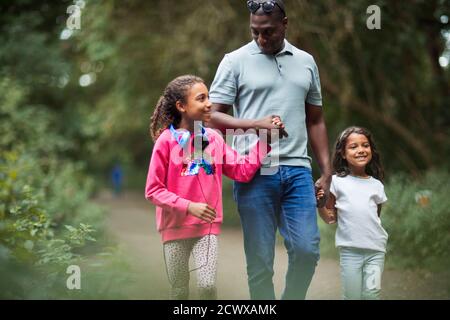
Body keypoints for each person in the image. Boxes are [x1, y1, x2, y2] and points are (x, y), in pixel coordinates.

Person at [208, 0, 332, 300]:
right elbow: (211, 115)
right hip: (253, 173)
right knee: (261, 262)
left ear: (285, 24)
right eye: (255, 32)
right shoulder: (234, 61)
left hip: (298, 171)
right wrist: (256, 126)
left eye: (269, 32)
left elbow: (315, 120)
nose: (262, 39)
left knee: (306, 250)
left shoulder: (306, 61)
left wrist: (327, 172)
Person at [145, 75, 280, 300]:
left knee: (207, 287)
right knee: (179, 291)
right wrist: (188, 206)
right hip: (174, 230)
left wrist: (266, 139)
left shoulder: (214, 139)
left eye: (209, 96)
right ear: (182, 106)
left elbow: (242, 171)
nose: (209, 103)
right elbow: (153, 190)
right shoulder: (166, 141)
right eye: (201, 98)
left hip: (206, 230)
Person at [317, 126, 388, 300]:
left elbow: (375, 217)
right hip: (350, 252)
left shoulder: (376, 185)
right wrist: (319, 205)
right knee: (352, 296)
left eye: (365, 145)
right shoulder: (336, 182)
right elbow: (330, 218)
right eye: (353, 146)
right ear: (342, 153)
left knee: (372, 294)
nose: (361, 150)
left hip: (375, 251)